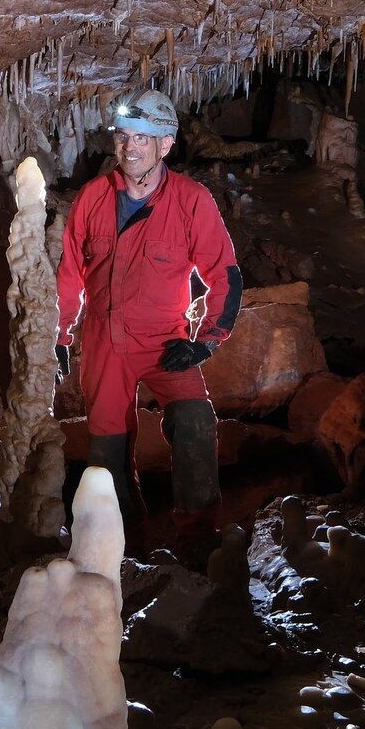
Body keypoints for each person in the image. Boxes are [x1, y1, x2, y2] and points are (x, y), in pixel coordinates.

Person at [55, 87, 242, 518]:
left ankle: (197, 534)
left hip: (165, 342)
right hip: (104, 344)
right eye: (123, 135)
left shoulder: (191, 200)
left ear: (165, 145)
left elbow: (224, 274)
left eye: (141, 138)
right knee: (107, 457)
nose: (129, 146)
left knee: (195, 420)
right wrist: (61, 335)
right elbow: (70, 275)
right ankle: (124, 549)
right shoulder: (93, 197)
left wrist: (207, 340)